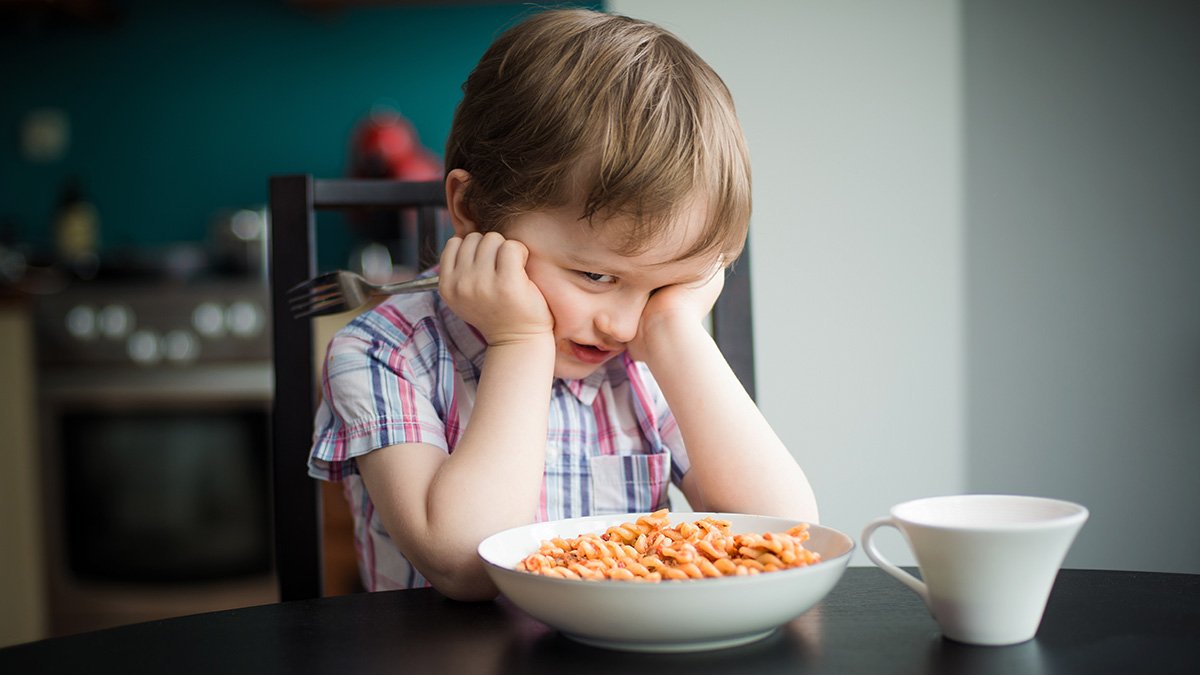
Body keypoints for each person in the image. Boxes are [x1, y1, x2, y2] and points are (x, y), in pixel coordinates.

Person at [309, 7, 818, 601]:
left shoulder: (650, 352)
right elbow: (464, 565)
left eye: (660, 287)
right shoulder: (384, 353)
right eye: (597, 275)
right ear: (472, 212)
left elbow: (785, 536)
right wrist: (518, 342)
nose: (624, 324)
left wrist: (680, 331)